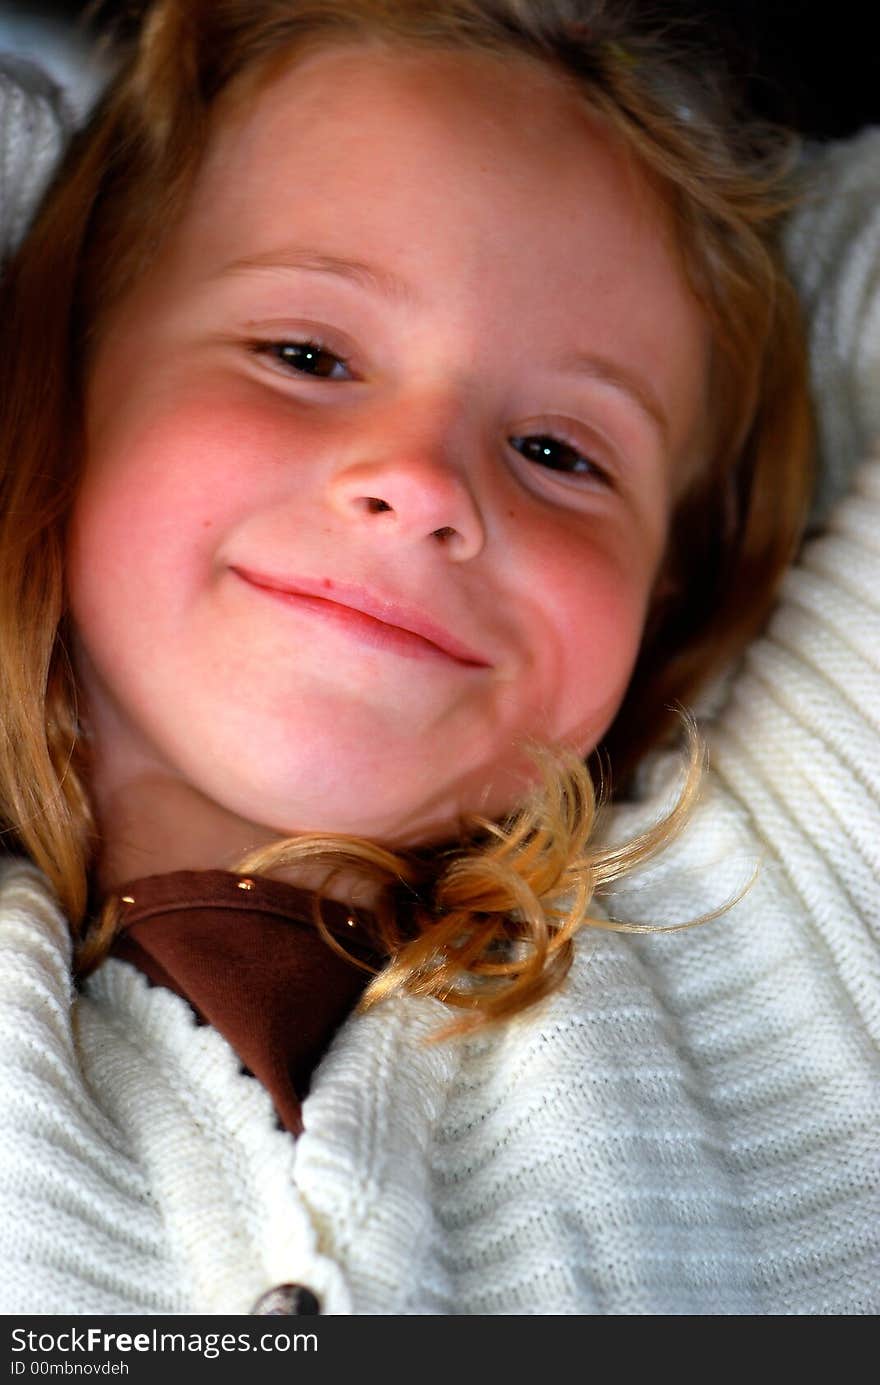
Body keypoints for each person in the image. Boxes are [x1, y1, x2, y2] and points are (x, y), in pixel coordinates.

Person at [0, 0, 876, 1316]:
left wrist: (708, 177)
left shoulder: (774, 931)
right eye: (305, 354)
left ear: (670, 576)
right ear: (55, 373)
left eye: (563, 452)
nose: (419, 483)